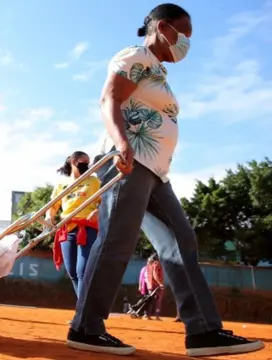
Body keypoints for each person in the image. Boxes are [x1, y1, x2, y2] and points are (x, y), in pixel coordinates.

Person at [66, 4, 264, 357]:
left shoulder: (158, 72)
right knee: (116, 241)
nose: (187, 41)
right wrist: (123, 142)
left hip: (155, 171)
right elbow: (109, 98)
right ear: (162, 27)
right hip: (128, 161)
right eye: (183, 33)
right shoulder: (137, 55)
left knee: (180, 240)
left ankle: (203, 331)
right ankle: (86, 327)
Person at [45, 151, 100, 299]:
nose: (87, 166)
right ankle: (84, 309)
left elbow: (104, 202)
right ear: (74, 162)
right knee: (72, 273)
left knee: (82, 271)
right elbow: (53, 206)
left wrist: (97, 212)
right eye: (84, 163)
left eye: (88, 163)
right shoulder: (62, 184)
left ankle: (81, 314)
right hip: (67, 229)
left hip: (87, 228)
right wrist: (49, 217)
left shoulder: (94, 182)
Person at [145, 254, 164, 320]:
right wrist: (160, 283)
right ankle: (157, 316)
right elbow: (155, 274)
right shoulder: (156, 263)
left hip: (150, 284)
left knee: (150, 300)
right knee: (158, 301)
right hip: (156, 285)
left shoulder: (148, 264)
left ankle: (148, 315)